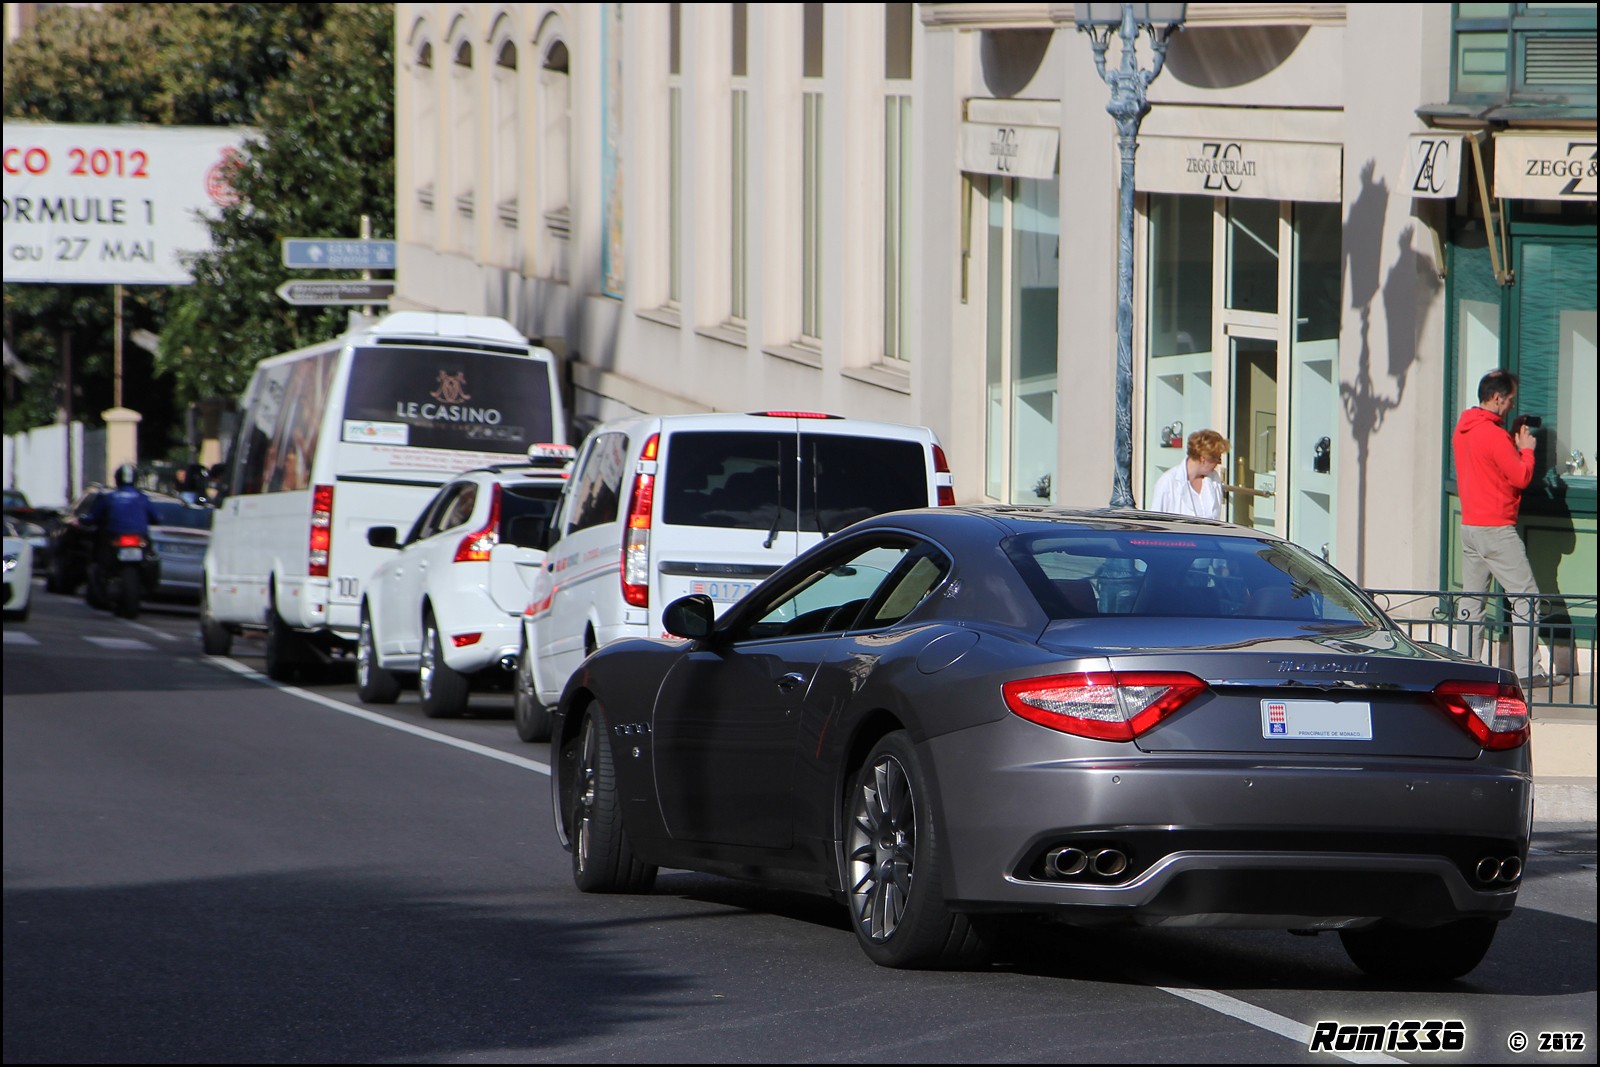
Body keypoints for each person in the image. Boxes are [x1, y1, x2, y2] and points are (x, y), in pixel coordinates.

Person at [1452, 369, 1549, 682]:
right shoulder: (1493, 435)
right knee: (1526, 597)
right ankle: (1528, 672)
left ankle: (1465, 668)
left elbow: (1488, 469)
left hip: (1470, 527)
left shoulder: (1463, 429)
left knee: (1472, 601)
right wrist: (1527, 451)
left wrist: (1511, 441)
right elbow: (1520, 476)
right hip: (1496, 529)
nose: (1510, 406)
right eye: (1509, 400)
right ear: (1496, 398)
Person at [1149, 429, 1229, 519]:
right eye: (1218, 459)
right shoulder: (1167, 483)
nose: (1219, 463)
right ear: (1203, 458)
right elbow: (1155, 522)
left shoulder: (1214, 479)